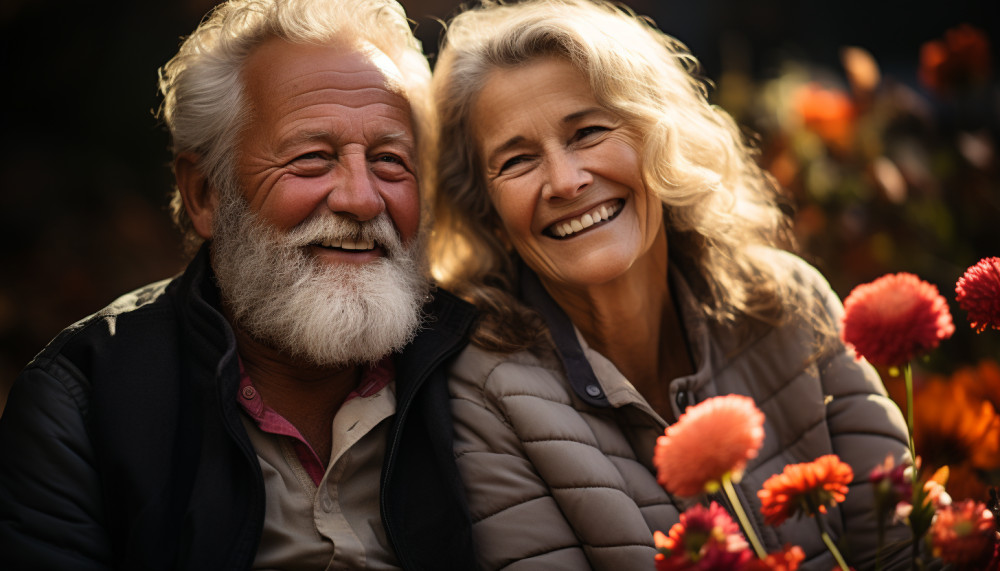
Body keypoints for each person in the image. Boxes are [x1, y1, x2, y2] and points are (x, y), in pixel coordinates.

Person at [429, 0, 912, 569]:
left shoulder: (790, 303)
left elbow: (904, 546)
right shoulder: (484, 399)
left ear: (661, 137)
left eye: (587, 131)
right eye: (516, 161)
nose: (564, 181)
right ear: (487, 211)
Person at [0, 0, 479, 569]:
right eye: (311, 158)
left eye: (390, 160)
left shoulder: (479, 369)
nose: (362, 198)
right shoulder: (80, 403)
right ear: (205, 194)